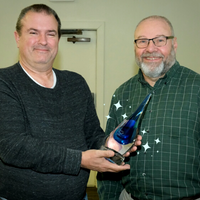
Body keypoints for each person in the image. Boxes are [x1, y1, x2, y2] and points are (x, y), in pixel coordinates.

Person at [0, 4, 142, 200]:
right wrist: (80, 160)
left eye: (50, 33)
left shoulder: (76, 82)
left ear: (58, 39)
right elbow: (13, 146)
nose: (43, 41)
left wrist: (112, 144)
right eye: (34, 32)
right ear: (17, 37)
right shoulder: (5, 82)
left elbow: (92, 135)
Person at [97, 15, 200, 200]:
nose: (150, 48)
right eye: (142, 41)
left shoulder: (197, 88)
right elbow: (110, 157)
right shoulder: (122, 93)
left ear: (174, 44)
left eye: (160, 40)